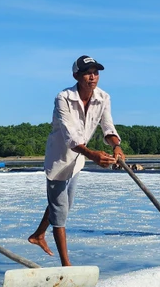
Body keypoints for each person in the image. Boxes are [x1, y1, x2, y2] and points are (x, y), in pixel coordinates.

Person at [29, 55, 125, 266]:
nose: (93, 77)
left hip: (78, 160)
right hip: (59, 158)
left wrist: (116, 145)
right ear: (76, 76)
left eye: (96, 72)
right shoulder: (63, 97)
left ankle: (38, 235)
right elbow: (69, 134)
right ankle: (66, 265)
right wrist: (92, 154)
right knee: (60, 210)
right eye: (88, 73)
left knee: (63, 204)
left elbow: (108, 127)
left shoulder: (103, 97)